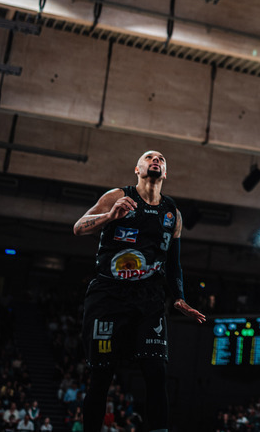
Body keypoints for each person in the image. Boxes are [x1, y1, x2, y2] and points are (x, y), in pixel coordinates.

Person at [73, 150, 206, 432]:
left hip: (149, 299)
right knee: (101, 375)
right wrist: (109, 215)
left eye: (161, 159)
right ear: (137, 169)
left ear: (165, 173)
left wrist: (179, 296)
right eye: (149, 157)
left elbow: (173, 263)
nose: (155, 160)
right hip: (108, 295)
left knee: (156, 373)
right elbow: (78, 228)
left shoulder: (173, 213)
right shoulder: (117, 196)